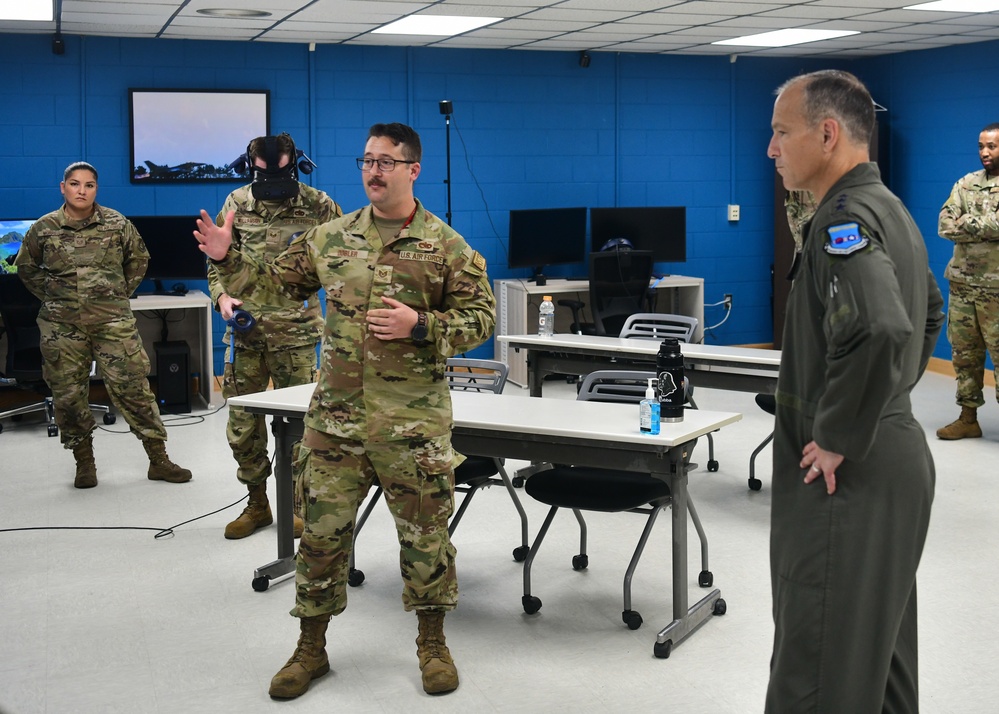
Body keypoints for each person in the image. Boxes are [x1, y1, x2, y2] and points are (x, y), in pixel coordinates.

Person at [194, 122, 495, 699]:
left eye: (386, 161)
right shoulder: (331, 237)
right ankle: (311, 647)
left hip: (412, 426)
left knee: (426, 539)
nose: (373, 171)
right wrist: (229, 260)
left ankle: (432, 644)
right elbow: (275, 285)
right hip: (335, 420)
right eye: (366, 160)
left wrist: (422, 325)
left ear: (413, 170)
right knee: (321, 538)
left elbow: (482, 319)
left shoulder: (446, 245)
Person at [765, 71, 944, 712]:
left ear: (829, 133)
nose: (773, 148)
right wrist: (886, 398)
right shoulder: (887, 208)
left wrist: (841, 430)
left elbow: (884, 325)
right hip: (891, 451)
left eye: (782, 132)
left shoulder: (844, 217)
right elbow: (928, 314)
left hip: (848, 473)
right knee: (878, 654)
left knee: (816, 668)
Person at [14, 162, 192, 489]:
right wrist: (55, 296)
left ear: (96, 189)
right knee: (68, 395)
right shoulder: (45, 227)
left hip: (113, 322)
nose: (82, 190)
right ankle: (84, 463)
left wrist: (118, 293)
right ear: (63, 187)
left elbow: (138, 260)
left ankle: (159, 459)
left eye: (89, 185)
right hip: (62, 326)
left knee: (134, 389)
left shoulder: (116, 223)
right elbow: (26, 268)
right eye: (75, 184)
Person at [209, 133, 342, 540]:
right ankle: (257, 504)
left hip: (298, 336)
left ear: (295, 164)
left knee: (301, 427)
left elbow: (343, 262)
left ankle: (298, 505)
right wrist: (222, 298)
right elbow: (216, 262)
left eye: (280, 173)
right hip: (245, 333)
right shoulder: (235, 203)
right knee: (243, 428)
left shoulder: (319, 205)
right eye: (263, 175)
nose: (271, 184)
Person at [935, 122, 999, 440]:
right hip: (962, 284)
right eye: (981, 146)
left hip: (996, 288)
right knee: (964, 353)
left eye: (992, 146)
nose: (985, 152)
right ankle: (968, 417)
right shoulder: (966, 182)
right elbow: (944, 224)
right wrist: (983, 225)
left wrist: (967, 222)